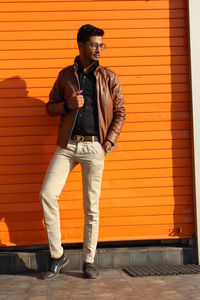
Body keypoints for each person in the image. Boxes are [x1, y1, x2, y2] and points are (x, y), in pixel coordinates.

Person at [40, 24, 126, 280]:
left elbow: (120, 112)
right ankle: (58, 255)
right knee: (46, 194)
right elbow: (49, 107)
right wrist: (67, 104)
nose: (99, 49)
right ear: (81, 45)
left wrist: (108, 142)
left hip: (93, 147)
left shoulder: (109, 77)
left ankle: (89, 260)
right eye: (94, 44)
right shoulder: (65, 75)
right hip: (67, 145)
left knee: (91, 207)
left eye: (102, 45)